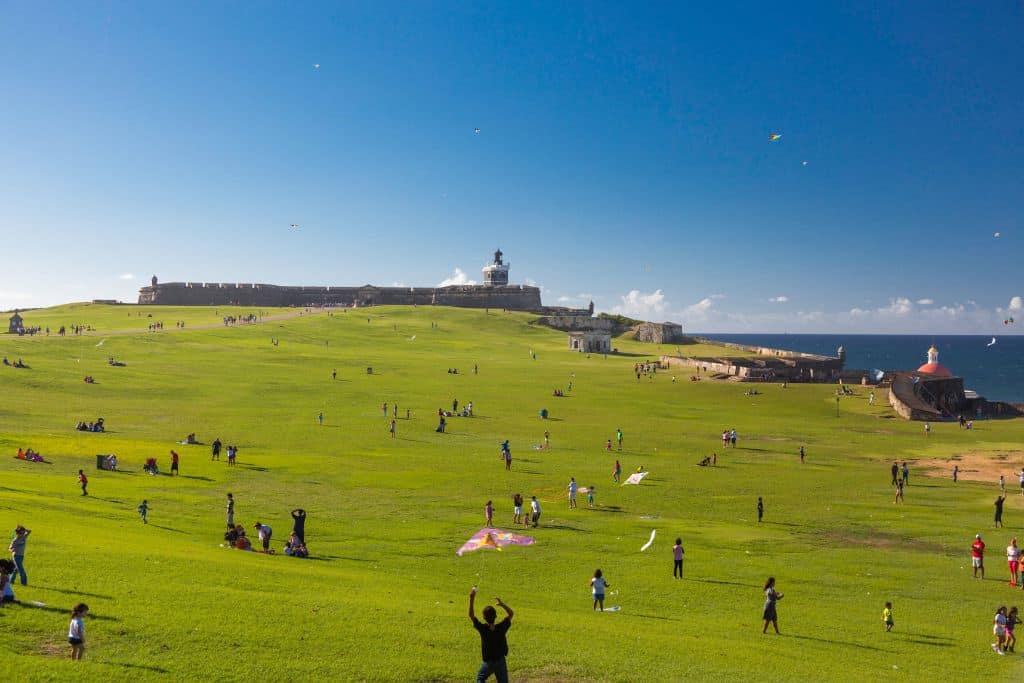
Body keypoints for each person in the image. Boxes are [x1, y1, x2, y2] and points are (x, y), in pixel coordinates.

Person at [468, 587, 513, 683]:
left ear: (484, 617)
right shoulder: (501, 627)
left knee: (480, 678)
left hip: (489, 662)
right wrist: (502, 604)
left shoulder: (483, 629)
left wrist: (471, 598)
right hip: (500, 660)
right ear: (496, 616)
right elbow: (511, 614)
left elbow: (471, 615)